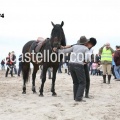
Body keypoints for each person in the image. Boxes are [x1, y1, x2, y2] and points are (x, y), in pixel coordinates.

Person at [54, 36, 96, 102]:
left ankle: (75, 96)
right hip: (79, 65)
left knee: (75, 82)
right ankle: (79, 98)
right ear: (85, 42)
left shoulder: (74, 47)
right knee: (82, 82)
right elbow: (88, 58)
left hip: (71, 65)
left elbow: (65, 51)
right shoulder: (86, 49)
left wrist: (57, 50)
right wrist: (85, 61)